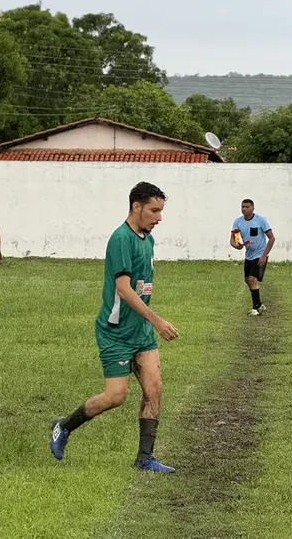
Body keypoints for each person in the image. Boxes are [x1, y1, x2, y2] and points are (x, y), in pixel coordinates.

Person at [49, 182, 179, 473]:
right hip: (116, 333)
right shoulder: (121, 239)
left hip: (140, 334)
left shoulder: (147, 239)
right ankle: (63, 426)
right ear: (136, 207)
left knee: (154, 390)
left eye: (161, 211)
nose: (159, 217)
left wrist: (147, 324)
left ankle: (145, 459)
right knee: (115, 397)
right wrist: (157, 320)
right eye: (154, 210)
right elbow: (123, 289)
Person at [230, 199, 275, 315]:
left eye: (247, 207)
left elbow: (271, 238)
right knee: (247, 280)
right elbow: (233, 239)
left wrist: (264, 256)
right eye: (242, 207)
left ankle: (255, 308)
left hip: (260, 254)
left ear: (253, 208)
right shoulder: (237, 222)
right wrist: (237, 245)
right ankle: (259, 304)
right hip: (249, 255)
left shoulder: (261, 220)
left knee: (252, 279)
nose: (244, 209)